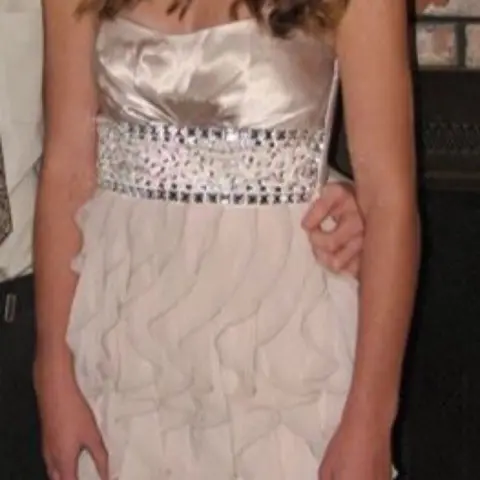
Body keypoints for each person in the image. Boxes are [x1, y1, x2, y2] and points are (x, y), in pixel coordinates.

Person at [34, 0, 419, 478]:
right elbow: (67, 171)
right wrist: (52, 369)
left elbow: (389, 202)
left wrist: (371, 420)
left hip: (287, 349)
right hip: (123, 344)